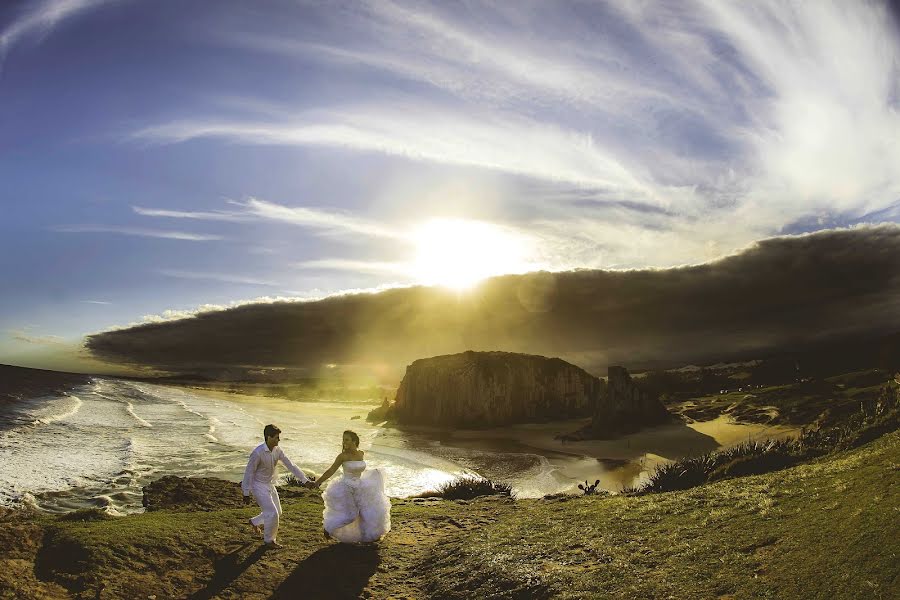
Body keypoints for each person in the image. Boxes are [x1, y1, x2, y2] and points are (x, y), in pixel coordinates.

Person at [242, 423, 315, 549]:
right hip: (258, 486)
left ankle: (254, 522)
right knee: (272, 513)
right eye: (276, 437)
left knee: (278, 512)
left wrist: (305, 480)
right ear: (268, 437)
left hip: (270, 485)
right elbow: (249, 472)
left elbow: (291, 465)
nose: (279, 440)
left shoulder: (277, 450)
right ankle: (269, 541)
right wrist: (246, 493)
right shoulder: (257, 453)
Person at [314, 430, 391, 543]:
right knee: (350, 516)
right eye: (343, 439)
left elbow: (360, 469)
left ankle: (367, 535)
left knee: (365, 512)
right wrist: (318, 482)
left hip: (360, 486)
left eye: (347, 439)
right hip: (346, 487)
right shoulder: (342, 456)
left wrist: (374, 475)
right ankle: (328, 528)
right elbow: (331, 471)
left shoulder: (361, 453)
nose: (344, 442)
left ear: (354, 441)